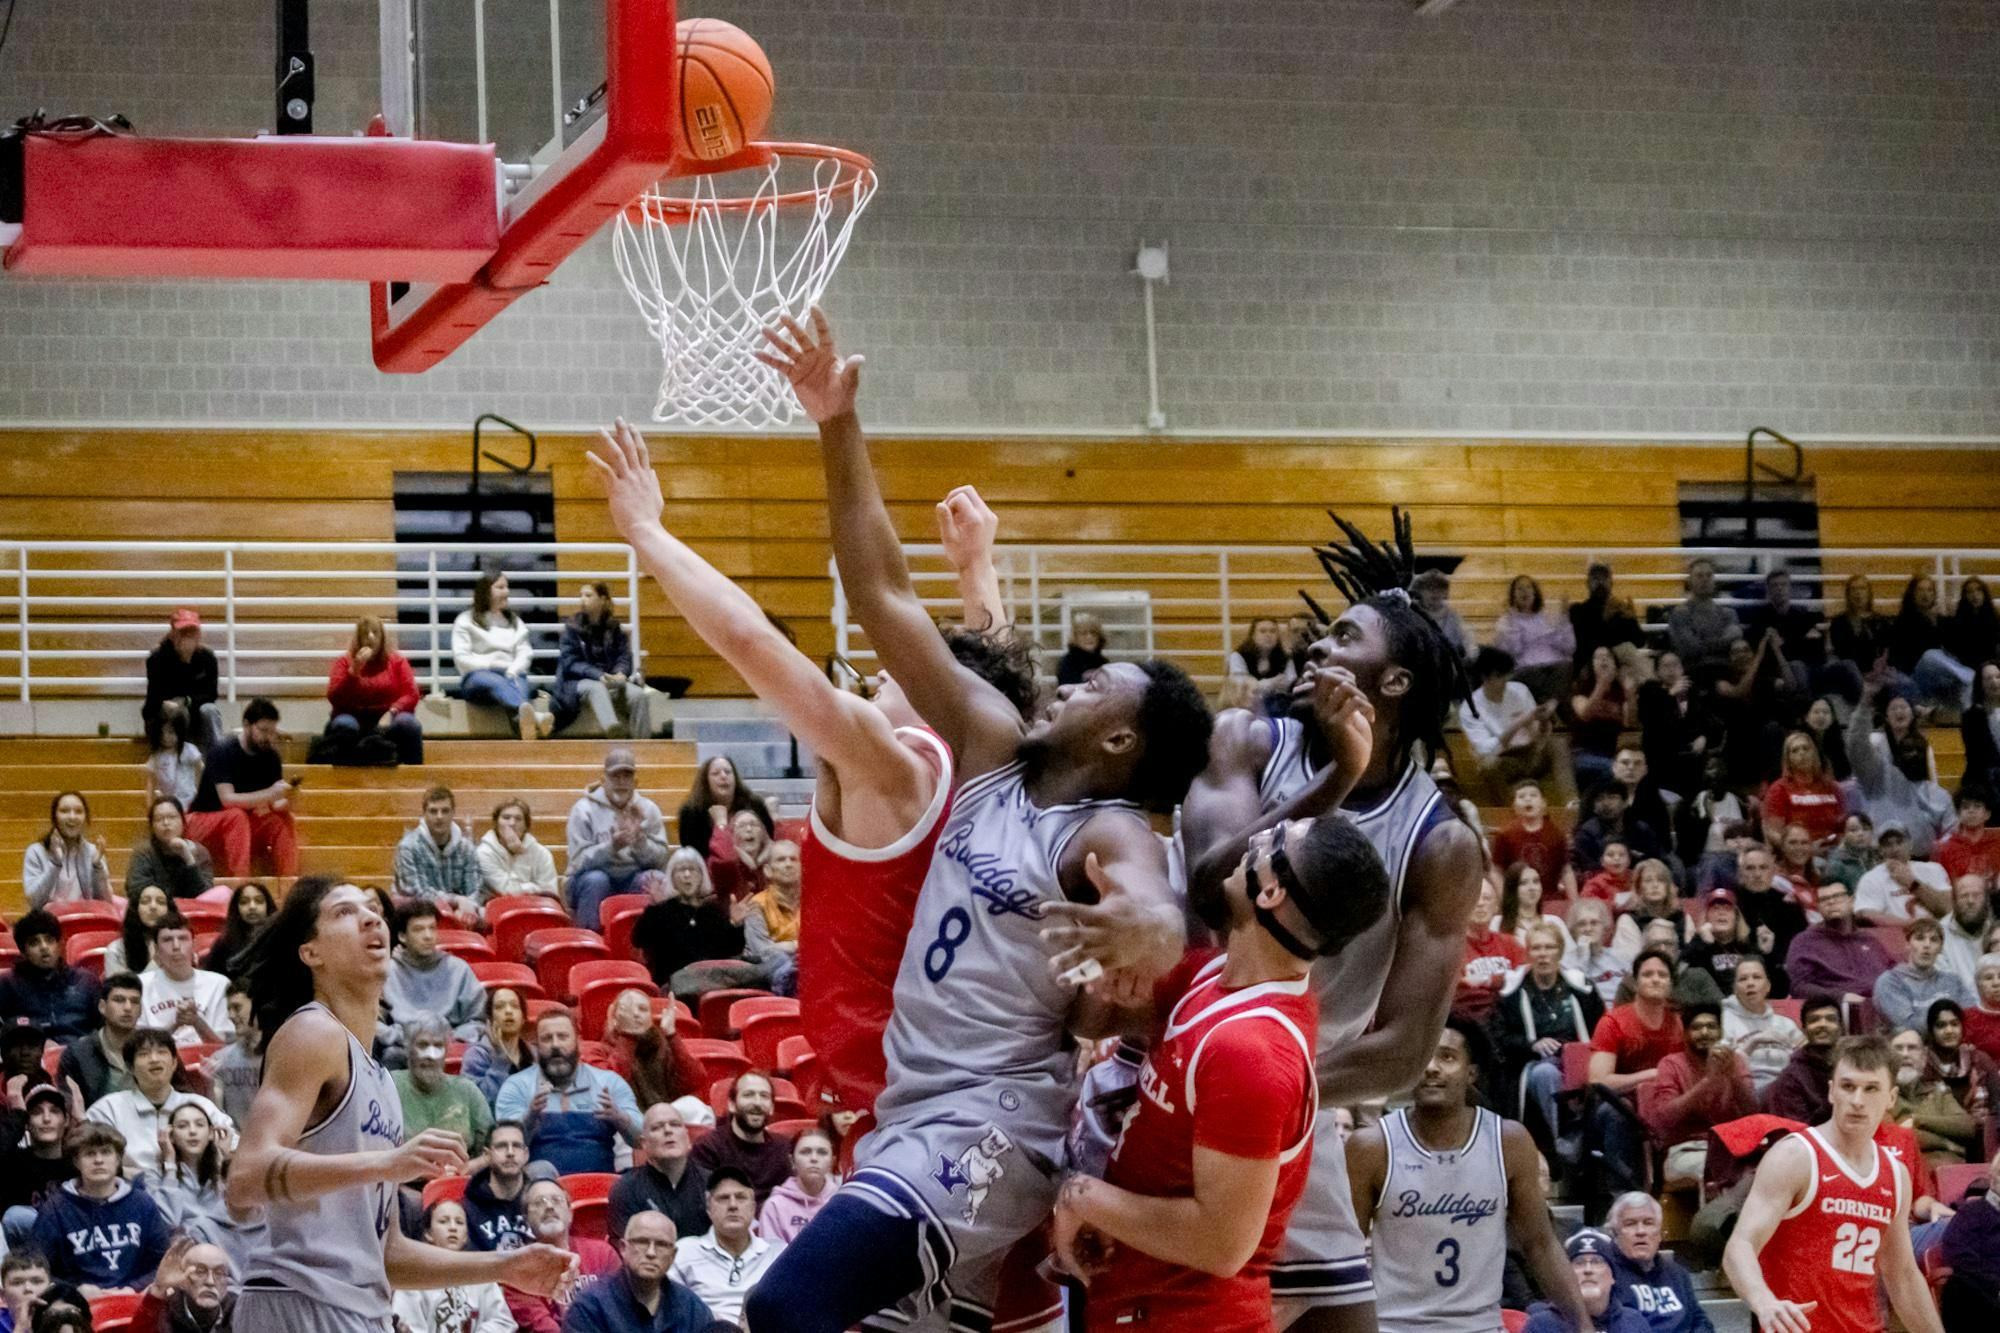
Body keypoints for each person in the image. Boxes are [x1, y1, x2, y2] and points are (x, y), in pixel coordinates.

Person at [745, 312, 1214, 1333]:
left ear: (1123, 744)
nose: (1069, 681)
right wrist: (837, 421)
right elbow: (882, 594)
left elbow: (1150, 905)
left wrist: (1142, 928)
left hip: (992, 1135)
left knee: (783, 1306)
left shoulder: (1104, 828)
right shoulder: (994, 744)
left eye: (1096, 684)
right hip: (911, 1120)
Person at [1163, 507, 1482, 1333]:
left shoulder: (1440, 840)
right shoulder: (1244, 740)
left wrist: (1274, 1094)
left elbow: (1406, 1049)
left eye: (1343, 638)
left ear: (1396, 683)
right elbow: (1209, 890)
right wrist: (1335, 777)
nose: (1315, 646)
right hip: (1172, 1068)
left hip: (1292, 1096)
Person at [1053, 814, 1392, 1328]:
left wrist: (1085, 1198)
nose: (1257, 834)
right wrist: (1114, 947)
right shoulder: (1214, 974)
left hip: (1192, 1316)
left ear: (1272, 891)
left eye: (1277, 840)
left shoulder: (1250, 1051)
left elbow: (1222, 1242)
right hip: (1137, 1302)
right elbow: (1093, 1015)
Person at [224, 877, 577, 1327]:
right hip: (297, 1298)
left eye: (372, 908)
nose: (372, 917)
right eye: (344, 912)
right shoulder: (312, 1033)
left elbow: (386, 1256)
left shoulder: (382, 1082)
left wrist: (503, 1266)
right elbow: (246, 1179)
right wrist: (385, 1164)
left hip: (356, 1308)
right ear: (311, 953)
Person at [1346, 1020, 1588, 1333]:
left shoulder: (1508, 1142)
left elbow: (1540, 1245)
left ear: (1471, 1073)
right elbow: (1345, 1253)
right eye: (1424, 1057)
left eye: (1447, 1057)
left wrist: (1583, 1324)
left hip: (1481, 1326)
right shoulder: (1371, 1146)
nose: (1432, 1068)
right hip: (1395, 1326)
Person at [1722, 1034, 1946, 1333]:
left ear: (1891, 1097)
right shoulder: (1796, 1155)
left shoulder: (1895, 1174)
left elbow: (1902, 1275)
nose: (1857, 1101)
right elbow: (1740, 1245)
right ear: (1831, 1091)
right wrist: (1763, 1301)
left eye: (1871, 1089)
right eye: (1848, 1086)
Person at [1495, 921, 1603, 1154]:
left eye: (1549, 947)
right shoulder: (1512, 993)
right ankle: (1563, 1136)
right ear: (1528, 953)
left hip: (1579, 1059)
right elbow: (1500, 1037)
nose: (1543, 955)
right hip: (1535, 1063)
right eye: (1536, 948)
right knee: (1546, 1073)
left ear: (1560, 951)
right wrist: (1533, 1044)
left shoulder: (1581, 988)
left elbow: (1602, 1028)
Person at [494, 1008, 643, 1175]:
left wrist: (620, 1117)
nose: (555, 1045)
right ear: (537, 1044)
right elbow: (505, 1149)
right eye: (547, 1038)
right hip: (538, 1191)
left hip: (599, 1187)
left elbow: (642, 1140)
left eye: (563, 1037)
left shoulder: (609, 1082)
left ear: (578, 1041)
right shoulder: (517, 1085)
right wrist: (530, 1116)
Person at [29, 1122, 170, 1297]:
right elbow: (36, 1268)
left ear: (118, 1159)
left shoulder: (142, 1204)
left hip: (134, 1298)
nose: (98, 1160)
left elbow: (164, 1263)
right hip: (77, 1304)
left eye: (106, 1152)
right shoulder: (55, 1207)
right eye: (89, 1154)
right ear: (76, 1162)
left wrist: (133, 1288)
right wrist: (75, 1290)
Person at [1586, 950, 1683, 1201]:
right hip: (1618, 1104)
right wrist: (1651, 1074)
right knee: (1618, 1112)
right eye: (1648, 974)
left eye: (1662, 975)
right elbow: (1598, 1081)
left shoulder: (1679, 1023)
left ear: (1670, 983)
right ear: (1635, 982)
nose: (1655, 979)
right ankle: (1625, 1198)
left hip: (1663, 1102)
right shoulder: (1613, 1022)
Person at [85, 1028, 235, 1178]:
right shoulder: (107, 1109)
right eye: (144, 1054)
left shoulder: (201, 1106)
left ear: (174, 1063)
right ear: (130, 1067)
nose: (154, 1059)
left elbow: (235, 1147)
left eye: (162, 1052)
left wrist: (223, 1156)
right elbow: (91, 1159)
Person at [1638, 1003, 1754, 1189]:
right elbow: (1664, 1118)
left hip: (1731, 1147)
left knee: (1764, 1167)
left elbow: (1753, 1113)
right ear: (1685, 1034)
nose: (1705, 1032)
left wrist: (1732, 1075)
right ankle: (1717, 1219)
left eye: (1711, 1026)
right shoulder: (1671, 1064)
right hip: (1684, 1150)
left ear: (1720, 1032)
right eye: (1697, 1027)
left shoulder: (1736, 1061)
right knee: (1716, 1169)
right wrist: (1708, 1081)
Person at [183, 697, 299, 878]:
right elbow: (227, 800)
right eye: (263, 731)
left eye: (272, 732)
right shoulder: (223, 751)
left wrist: (289, 799)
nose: (268, 737)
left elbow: (275, 805)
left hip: (239, 828)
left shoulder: (271, 757)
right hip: (203, 821)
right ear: (247, 725)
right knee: (236, 816)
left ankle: (289, 884)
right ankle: (240, 885)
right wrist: (270, 794)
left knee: (283, 820)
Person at [566, 747, 673, 931]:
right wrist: (611, 847)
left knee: (656, 879)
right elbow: (577, 862)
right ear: (603, 780)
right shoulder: (583, 810)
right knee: (596, 880)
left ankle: (651, 947)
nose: (621, 782)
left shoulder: (648, 810)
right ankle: (590, 945)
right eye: (615, 776)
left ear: (635, 781)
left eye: (627, 776)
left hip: (632, 877)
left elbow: (661, 860)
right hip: (588, 879)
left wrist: (640, 841)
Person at [562, 1209, 714, 1333]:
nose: (651, 1252)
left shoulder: (692, 1308)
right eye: (642, 1242)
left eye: (661, 1245)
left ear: (673, 1255)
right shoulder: (590, 1307)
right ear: (623, 1248)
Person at [507, 1177, 622, 1331]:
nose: (549, 1206)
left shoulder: (603, 1253)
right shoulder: (518, 1269)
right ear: (526, 1221)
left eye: (556, 1200)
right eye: (539, 1202)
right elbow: (543, 1328)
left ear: (570, 1214)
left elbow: (620, 1312)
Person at [669, 1169, 781, 1325]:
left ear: (753, 1207)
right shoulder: (684, 1252)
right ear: (709, 1208)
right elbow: (670, 1309)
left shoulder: (778, 1253)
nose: (733, 1205)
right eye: (723, 1198)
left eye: (741, 1197)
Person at [454, 568, 552, 742]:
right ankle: (536, 718)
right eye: (500, 587)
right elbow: (462, 658)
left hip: (511, 674)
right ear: (486, 591)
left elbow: (524, 652)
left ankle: (526, 730)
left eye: (507, 587)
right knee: (499, 682)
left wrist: (513, 669)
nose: (506, 592)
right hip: (477, 678)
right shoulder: (466, 620)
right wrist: (491, 665)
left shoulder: (514, 621)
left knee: (519, 685)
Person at [379, 901, 487, 1058]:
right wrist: (402, 1038)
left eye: (432, 928)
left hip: (451, 1047)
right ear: (402, 936)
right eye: (418, 930)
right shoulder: (385, 972)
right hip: (402, 1050)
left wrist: (450, 1039)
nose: (428, 936)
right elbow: (373, 1024)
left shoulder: (458, 968)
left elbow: (479, 1020)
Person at [391, 1198, 516, 1333]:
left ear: (466, 1236)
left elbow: (503, 1321)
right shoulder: (414, 1277)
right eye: (443, 1221)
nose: (452, 1227)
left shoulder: (481, 1273)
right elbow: (407, 1324)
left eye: (459, 1222)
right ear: (428, 1233)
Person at [631, 851, 744, 997]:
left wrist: (736, 924)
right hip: (674, 987)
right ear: (671, 877)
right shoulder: (660, 911)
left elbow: (730, 951)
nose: (687, 875)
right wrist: (654, 909)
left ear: (702, 875)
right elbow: (638, 939)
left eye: (692, 869)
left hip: (711, 985)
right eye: (681, 870)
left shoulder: (713, 911)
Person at [553, 582, 653, 739]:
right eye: (581, 595)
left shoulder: (614, 627)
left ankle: (644, 746)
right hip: (578, 682)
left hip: (609, 679)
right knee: (596, 687)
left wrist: (621, 673)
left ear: (602, 599)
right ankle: (613, 729)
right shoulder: (572, 627)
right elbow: (570, 663)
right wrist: (598, 675)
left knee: (639, 695)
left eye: (588, 595)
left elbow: (624, 656)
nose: (582, 599)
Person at [1602, 1194, 1711, 1333]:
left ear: (1659, 1234)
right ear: (1615, 1233)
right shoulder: (1607, 1274)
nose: (1640, 1231)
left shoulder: (1677, 1274)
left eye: (1648, 1223)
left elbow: (1699, 1320)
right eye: (1630, 1224)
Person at [325, 614, 424, 765]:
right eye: (365, 633)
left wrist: (392, 711)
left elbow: (411, 694)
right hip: (353, 716)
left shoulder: (397, 661)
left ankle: (414, 778)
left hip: (389, 716)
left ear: (382, 637)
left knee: (409, 724)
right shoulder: (344, 662)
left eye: (375, 632)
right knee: (343, 725)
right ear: (358, 638)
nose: (370, 637)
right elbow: (334, 697)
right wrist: (353, 672)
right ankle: (342, 781)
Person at [1461, 647, 1560, 791]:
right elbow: (1485, 749)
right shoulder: (1470, 707)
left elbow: (1537, 735)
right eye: (1499, 676)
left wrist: (1543, 720)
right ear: (1484, 677)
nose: (1505, 681)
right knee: (1490, 766)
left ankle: (1572, 802)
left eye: (1506, 675)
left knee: (1558, 745)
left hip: (1529, 752)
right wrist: (1519, 723)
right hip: (1502, 758)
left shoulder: (1520, 690)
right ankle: (1509, 808)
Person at [610, 1104, 710, 1244]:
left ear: (687, 1138)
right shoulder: (626, 1189)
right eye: (657, 1127)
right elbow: (630, 1252)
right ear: (644, 1143)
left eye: (675, 1125)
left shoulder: (712, 1183)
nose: (668, 1131)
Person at [394, 1014, 494, 1155]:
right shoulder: (389, 1087)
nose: (430, 1055)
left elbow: (491, 1149)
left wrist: (470, 1167)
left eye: (438, 1046)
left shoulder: (467, 1090)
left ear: (446, 1051)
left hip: (462, 1174)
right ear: (408, 1049)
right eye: (422, 1045)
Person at [1784, 879, 1895, 1004]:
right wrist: (1840, 997)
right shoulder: (1805, 942)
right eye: (1824, 899)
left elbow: (1894, 975)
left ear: (1852, 901)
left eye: (1837, 896)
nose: (1831, 902)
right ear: (1818, 907)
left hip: (1881, 1006)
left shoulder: (1869, 940)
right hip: (1836, 1008)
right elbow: (1799, 988)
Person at [687, 1073, 792, 1203]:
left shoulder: (783, 1148)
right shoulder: (708, 1147)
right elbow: (705, 1203)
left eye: (764, 1096)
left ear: (771, 1108)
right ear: (732, 1105)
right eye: (748, 1095)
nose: (757, 1103)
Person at [1522, 1230, 1649, 1333]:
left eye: (1597, 1261)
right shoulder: (1541, 1325)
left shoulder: (1634, 1322)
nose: (1588, 1270)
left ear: (1613, 1276)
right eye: (1579, 1263)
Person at [138, 912, 234, 1045]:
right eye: (167, 940)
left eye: (182, 938)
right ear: (156, 949)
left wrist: (197, 1022)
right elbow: (139, 1048)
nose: (176, 946)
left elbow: (226, 1047)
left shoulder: (220, 984)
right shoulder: (140, 985)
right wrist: (175, 1024)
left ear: (194, 945)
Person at [393, 786, 485, 924]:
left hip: (462, 917)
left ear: (453, 813)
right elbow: (416, 893)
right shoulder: (408, 847)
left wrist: (466, 909)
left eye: (445, 811)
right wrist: (456, 901)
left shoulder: (467, 848)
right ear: (424, 814)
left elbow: (475, 889)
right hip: (418, 918)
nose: (439, 817)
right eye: (433, 811)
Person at [0, 1087, 80, 1241]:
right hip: (24, 1257)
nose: (46, 1119)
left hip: (74, 1247)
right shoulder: (13, 1162)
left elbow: (111, 1176)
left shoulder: (78, 1163)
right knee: (16, 1216)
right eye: (37, 1112)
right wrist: (18, 1115)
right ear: (27, 1123)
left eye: (55, 1111)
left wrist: (82, 1120)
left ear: (67, 1120)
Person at [56, 971, 143, 1107]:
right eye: (119, 1000)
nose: (128, 1008)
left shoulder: (157, 1049)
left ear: (141, 1010)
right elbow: (67, 1106)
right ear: (102, 1007)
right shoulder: (78, 1054)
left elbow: (182, 1095)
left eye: (134, 1002)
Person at [1873, 915, 1973, 1034]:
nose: (1927, 945)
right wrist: (1951, 1020)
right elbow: (1908, 1027)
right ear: (1907, 944)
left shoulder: (1952, 981)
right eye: (1920, 938)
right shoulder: (1890, 981)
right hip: (1907, 1049)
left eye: (1934, 940)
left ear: (1941, 948)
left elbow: (1971, 1018)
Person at [143, 609, 224, 753]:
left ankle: (216, 762)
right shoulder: (157, 659)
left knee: (209, 711)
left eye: (192, 632)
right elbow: (153, 701)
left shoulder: (208, 658)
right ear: (173, 634)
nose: (188, 637)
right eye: (183, 632)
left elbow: (211, 695)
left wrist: (186, 700)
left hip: (195, 713)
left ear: (198, 635)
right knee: (179, 712)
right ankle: (179, 761)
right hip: (165, 716)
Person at [1721, 958, 1804, 1096]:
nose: (1750, 983)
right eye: (1743, 979)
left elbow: (1805, 1057)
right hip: (1744, 1090)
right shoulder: (1724, 1021)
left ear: (1768, 987)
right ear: (1735, 989)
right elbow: (1722, 1068)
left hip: (1786, 1088)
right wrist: (1752, 1043)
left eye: (1757, 977)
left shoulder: (1785, 1023)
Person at [1938, 1146, 2000, 1324]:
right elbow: (1958, 1255)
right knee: (1959, 1285)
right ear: (1993, 1178)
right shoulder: (1971, 1213)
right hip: (1984, 1292)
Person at [22, 792, 112, 911]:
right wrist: (55, 864)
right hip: (49, 925)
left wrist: (97, 867)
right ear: (55, 817)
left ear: (86, 817)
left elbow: (106, 903)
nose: (72, 817)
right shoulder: (36, 851)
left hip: (85, 922)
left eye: (78, 811)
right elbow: (35, 902)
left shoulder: (93, 852)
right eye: (64, 811)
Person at [1761, 995, 1845, 1123]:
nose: (1822, 1024)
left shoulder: (1853, 1067)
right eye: (1814, 1020)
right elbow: (1797, 1130)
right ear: (1804, 1030)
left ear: (1841, 1028)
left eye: (1830, 1019)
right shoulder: (1791, 1078)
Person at [1490, 781, 1577, 902]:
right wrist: (1506, 901)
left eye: (1533, 795)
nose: (1528, 799)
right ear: (1514, 806)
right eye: (1521, 796)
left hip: (1550, 899)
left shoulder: (1556, 834)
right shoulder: (1505, 835)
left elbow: (1566, 870)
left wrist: (1575, 902)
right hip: (1519, 899)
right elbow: (1496, 871)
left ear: (1543, 803)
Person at [1495, 574, 1577, 702]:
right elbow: (1513, 651)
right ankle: (1549, 707)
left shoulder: (1548, 617)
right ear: (1513, 595)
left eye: (1528, 587)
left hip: (1554, 668)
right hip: (1527, 671)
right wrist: (1513, 620)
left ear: (1535, 592)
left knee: (1566, 666)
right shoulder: (1506, 622)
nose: (1525, 592)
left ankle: (1550, 707)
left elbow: (1568, 647)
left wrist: (1564, 618)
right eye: (1519, 589)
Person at [1731, 844, 1809, 977]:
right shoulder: (1730, 905)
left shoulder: (1790, 906)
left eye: (1763, 867)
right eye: (1750, 868)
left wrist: (1773, 951)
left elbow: (1802, 948)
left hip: (1781, 974)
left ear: (1773, 871)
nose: (1757, 874)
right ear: (1741, 873)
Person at [672, 756, 769, 859]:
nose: (723, 776)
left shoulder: (755, 805)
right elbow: (694, 856)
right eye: (716, 773)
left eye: (728, 772)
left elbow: (769, 842)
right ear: (706, 781)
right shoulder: (691, 813)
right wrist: (721, 826)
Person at [1855, 821, 1952, 924]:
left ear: (1910, 844)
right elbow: (1867, 915)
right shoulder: (1871, 878)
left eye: (1899, 842)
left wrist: (1913, 884)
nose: (1895, 849)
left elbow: (1949, 909)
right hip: (1894, 936)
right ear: (1880, 850)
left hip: (1936, 934)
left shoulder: (1933, 869)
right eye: (1888, 844)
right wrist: (1912, 926)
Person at [133, 1237, 236, 1333]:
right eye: (200, 1272)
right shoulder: (165, 1311)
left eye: (219, 1273)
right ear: (182, 1281)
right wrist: (159, 1289)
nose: (210, 1282)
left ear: (228, 1282)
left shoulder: (239, 1310)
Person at [462, 1120, 536, 1252]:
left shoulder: (538, 1201)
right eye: (501, 1146)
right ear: (487, 1155)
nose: (510, 1152)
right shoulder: (468, 1207)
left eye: (517, 1146)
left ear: (526, 1154)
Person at [1458, 881, 1527, 1021]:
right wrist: (1508, 979)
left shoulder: (1510, 943)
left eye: (1486, 898)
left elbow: (1527, 976)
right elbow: (1461, 989)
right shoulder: (1454, 949)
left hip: (1512, 1017)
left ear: (1496, 906)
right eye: (1474, 898)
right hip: (1473, 1020)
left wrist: (1488, 980)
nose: (1480, 903)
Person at [1763, 730, 1846, 847]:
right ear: (1788, 760)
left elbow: (1844, 826)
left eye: (1806, 748)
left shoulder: (1832, 787)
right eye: (1795, 751)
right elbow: (1774, 832)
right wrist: (1804, 849)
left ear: (1814, 753)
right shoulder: (1779, 789)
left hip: (1834, 851)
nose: (1801, 753)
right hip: (1798, 853)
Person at [756, 1128, 838, 1245]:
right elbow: (772, 1256)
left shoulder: (842, 1202)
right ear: (792, 1161)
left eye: (822, 1152)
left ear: (832, 1161)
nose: (814, 1158)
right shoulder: (775, 1206)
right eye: (805, 1152)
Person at [740, 840, 801, 995]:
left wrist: (785, 945)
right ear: (767, 870)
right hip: (767, 982)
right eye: (781, 860)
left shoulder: (816, 903)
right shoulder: (757, 904)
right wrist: (797, 945)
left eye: (794, 859)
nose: (788, 864)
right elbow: (763, 951)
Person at [125, 797, 214, 903]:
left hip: (191, 913)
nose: (166, 823)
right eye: (159, 819)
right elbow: (135, 891)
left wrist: (188, 857)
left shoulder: (200, 852)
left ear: (183, 821)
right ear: (152, 826)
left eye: (172, 817)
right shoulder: (143, 852)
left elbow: (205, 895)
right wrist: (174, 901)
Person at [1569, 648, 1633, 794]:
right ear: (1591, 665)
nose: (1604, 660)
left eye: (1608, 657)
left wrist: (1630, 694)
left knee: (1624, 770)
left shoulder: (1620, 693)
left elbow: (1630, 722)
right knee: (1617, 771)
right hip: (1582, 755)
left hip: (1609, 756)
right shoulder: (1581, 690)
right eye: (1598, 657)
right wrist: (1601, 685)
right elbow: (1585, 714)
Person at [1681, 888, 1763, 996]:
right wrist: (1703, 944)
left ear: (1736, 916)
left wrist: (1769, 954)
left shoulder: (1748, 946)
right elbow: (1687, 980)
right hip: (1709, 1006)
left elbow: (1774, 987)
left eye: (1727, 908)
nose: (1721, 913)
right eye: (1715, 908)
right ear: (1707, 916)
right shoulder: (1697, 946)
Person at [478, 798, 561, 904]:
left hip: (536, 909)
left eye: (518, 819)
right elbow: (507, 891)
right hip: (498, 909)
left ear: (526, 826)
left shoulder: (542, 853)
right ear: (496, 823)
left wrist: (520, 853)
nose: (512, 823)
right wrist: (532, 887)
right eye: (506, 817)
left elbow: (549, 894)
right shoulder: (484, 853)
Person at [462, 987, 535, 1108]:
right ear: (489, 1019)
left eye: (515, 1006)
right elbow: (478, 1107)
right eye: (500, 1007)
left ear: (523, 1018)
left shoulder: (535, 1055)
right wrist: (500, 1061)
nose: (508, 1011)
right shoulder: (476, 1056)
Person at [1666, 558, 1743, 674]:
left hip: (1726, 671)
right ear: (1689, 581)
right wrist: (1720, 642)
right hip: (1694, 673)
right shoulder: (1680, 614)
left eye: (1709, 575)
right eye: (1699, 576)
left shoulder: (1728, 614)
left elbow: (1735, 644)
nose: (1705, 580)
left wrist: (1702, 641)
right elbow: (1689, 651)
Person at [200, 983, 261, 1125]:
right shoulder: (220, 1059)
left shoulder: (280, 1055)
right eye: (229, 1009)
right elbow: (217, 1116)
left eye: (237, 1007)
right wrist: (209, 1085)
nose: (231, 1016)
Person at [1610, 860, 1687, 960]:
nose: (1655, 885)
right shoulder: (1628, 920)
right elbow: (1628, 961)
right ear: (1639, 888)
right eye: (1648, 881)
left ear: (1668, 886)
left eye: (1661, 880)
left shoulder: (1679, 917)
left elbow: (1686, 953)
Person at [201, 881, 274, 980]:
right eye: (244, 902)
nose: (252, 907)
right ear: (236, 908)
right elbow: (211, 979)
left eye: (259, 901)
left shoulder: (280, 939)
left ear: (268, 906)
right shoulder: (224, 943)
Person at [1563, 899, 1629, 1007]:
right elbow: (1574, 995)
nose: (1588, 929)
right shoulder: (1565, 963)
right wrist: (1583, 957)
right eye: (1581, 924)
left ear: (1604, 927)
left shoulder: (1620, 958)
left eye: (1594, 923)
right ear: (1573, 931)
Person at [143, 704, 205, 813]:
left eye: (171, 732)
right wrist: (150, 806)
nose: (166, 737)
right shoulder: (156, 756)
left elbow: (200, 769)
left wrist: (200, 796)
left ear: (180, 732)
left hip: (190, 802)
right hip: (169, 804)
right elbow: (150, 783)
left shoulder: (189, 750)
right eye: (162, 733)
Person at [1496, 864, 1573, 951]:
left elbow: (1571, 958)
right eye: (1523, 883)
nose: (1532, 888)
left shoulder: (1554, 922)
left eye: (1536, 881)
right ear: (1512, 889)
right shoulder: (1497, 923)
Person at [1226, 616, 1298, 708]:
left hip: (1278, 707)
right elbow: (1241, 686)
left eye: (1273, 631)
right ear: (1253, 636)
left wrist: (1258, 686)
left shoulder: (1285, 657)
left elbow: (1290, 683)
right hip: (1244, 706)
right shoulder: (1238, 656)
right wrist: (1271, 683)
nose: (1268, 635)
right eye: (1262, 631)